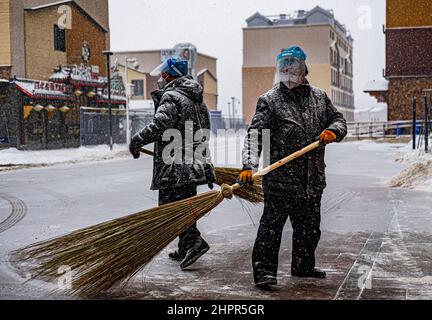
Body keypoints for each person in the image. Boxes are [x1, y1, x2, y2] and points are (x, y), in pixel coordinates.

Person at [237, 46, 347, 288]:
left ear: (303, 70)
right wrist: (248, 164)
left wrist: (333, 131)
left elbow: (338, 119)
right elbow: (256, 134)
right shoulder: (270, 100)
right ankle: (264, 272)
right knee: (270, 230)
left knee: (309, 229)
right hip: (280, 181)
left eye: (292, 66)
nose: (287, 71)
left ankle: (303, 265)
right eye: (283, 67)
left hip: (311, 179)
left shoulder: (319, 97)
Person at [129, 56, 216, 270]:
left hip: (174, 165)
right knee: (185, 204)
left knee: (171, 208)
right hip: (192, 163)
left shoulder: (172, 97)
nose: (161, 78)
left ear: (171, 75)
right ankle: (186, 246)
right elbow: (203, 133)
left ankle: (194, 242)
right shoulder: (197, 99)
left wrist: (137, 139)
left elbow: (160, 125)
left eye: (164, 74)